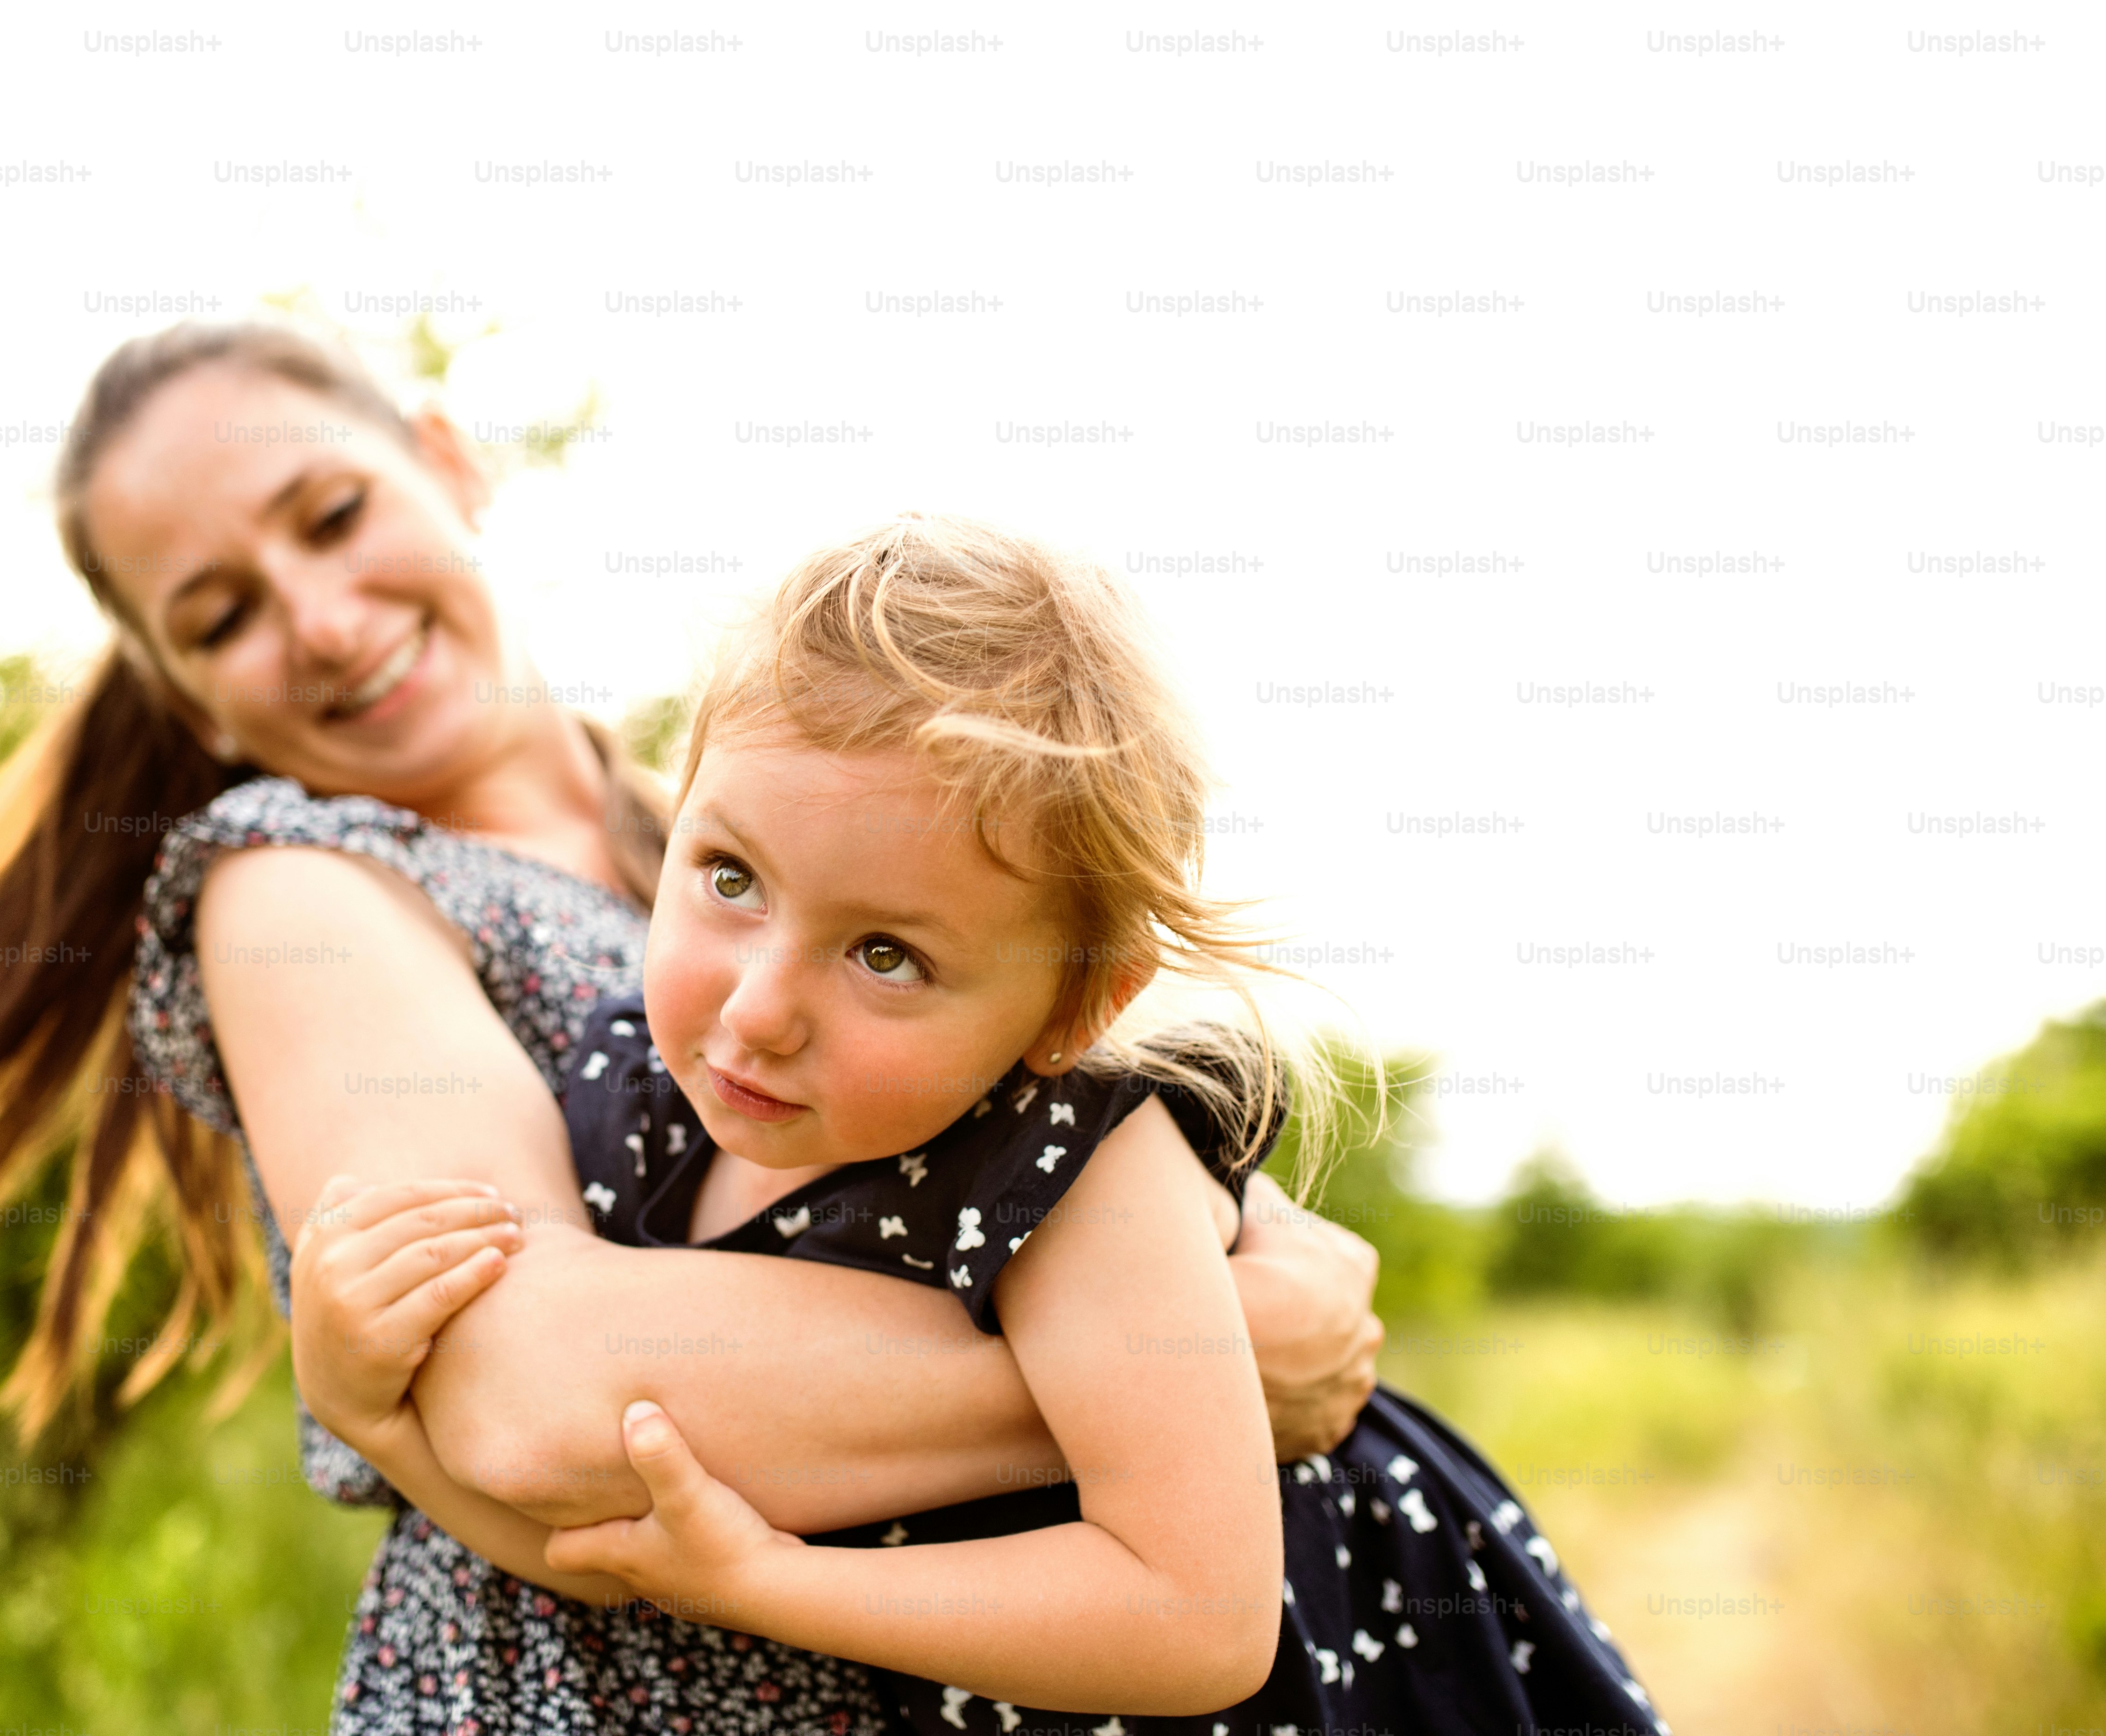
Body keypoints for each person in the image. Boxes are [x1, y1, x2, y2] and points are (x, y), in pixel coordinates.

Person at [0, 322, 1386, 1735]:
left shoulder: (743, 853)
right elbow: (537, 1398)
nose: (316, 618)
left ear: (448, 462)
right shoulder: (306, 886)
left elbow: (1106, 1148)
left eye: (330, 514)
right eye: (218, 614)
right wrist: (1189, 1373)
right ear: (179, 688)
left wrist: (1205, 1283)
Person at [296, 518, 1670, 1734]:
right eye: (728, 877)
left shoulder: (1066, 1156)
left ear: (1077, 1003)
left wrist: (778, 1585)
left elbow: (1199, 1616)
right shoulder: (634, 1090)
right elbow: (600, 1535)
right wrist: (376, 1416)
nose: (761, 1007)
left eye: (886, 956)